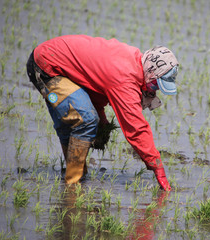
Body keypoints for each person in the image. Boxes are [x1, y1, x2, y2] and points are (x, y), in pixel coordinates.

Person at [26, 35, 179, 191]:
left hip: (53, 63)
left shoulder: (132, 59)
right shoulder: (125, 77)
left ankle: (76, 175)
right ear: (150, 71)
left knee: (75, 120)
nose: (154, 90)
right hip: (45, 69)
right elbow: (136, 129)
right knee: (85, 119)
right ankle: (72, 187)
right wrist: (157, 167)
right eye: (155, 85)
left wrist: (103, 122)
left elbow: (94, 90)